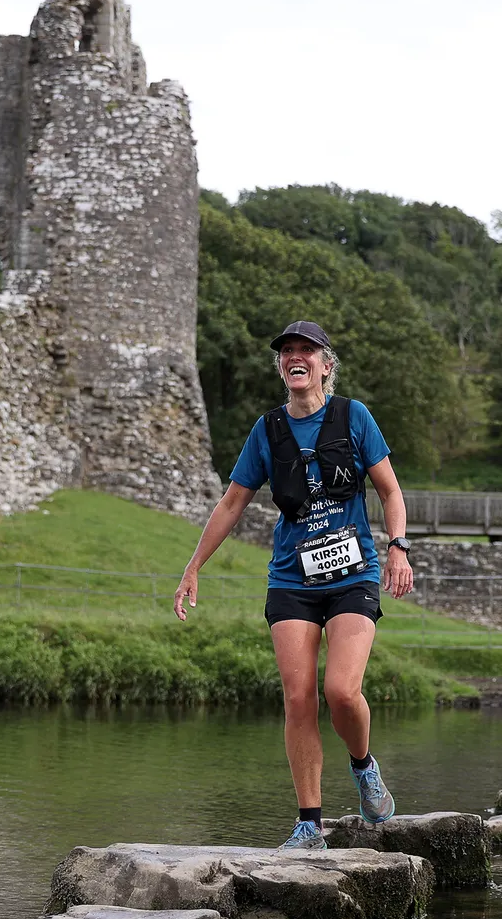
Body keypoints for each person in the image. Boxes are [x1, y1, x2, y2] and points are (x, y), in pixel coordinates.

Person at [175, 321, 415, 851]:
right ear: (282, 367)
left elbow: (390, 491)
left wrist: (397, 547)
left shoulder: (354, 417)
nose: (295, 357)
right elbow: (231, 503)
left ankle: (363, 766)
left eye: (306, 350)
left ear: (326, 366)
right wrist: (194, 566)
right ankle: (309, 825)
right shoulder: (267, 430)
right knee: (298, 699)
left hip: (353, 575)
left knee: (341, 691)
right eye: (287, 352)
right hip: (292, 579)